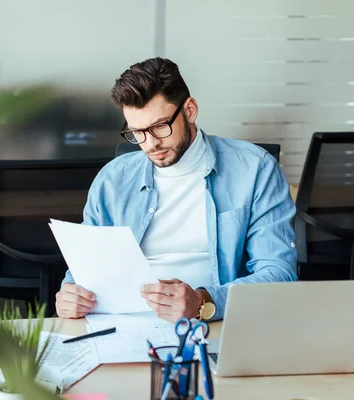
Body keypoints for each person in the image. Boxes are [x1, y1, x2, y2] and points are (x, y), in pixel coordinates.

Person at [55, 57, 297, 322]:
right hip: (123, 324)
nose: (150, 144)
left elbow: (279, 272)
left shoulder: (255, 170)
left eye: (160, 126)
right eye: (137, 132)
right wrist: (70, 293)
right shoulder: (113, 180)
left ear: (190, 110)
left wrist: (203, 301)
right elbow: (88, 267)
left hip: (214, 323)